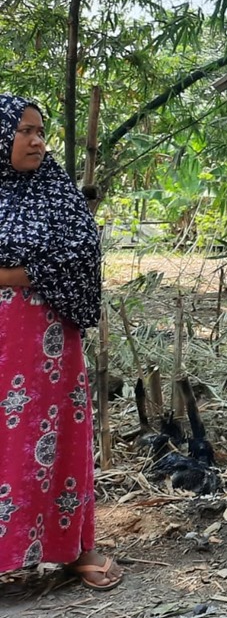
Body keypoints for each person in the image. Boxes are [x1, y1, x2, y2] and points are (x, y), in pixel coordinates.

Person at [0, 93, 121, 591]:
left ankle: (74, 548)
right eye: (24, 130)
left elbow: (82, 251)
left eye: (39, 130)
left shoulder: (55, 190)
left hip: (49, 341)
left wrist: (14, 275)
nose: (36, 140)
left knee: (60, 438)